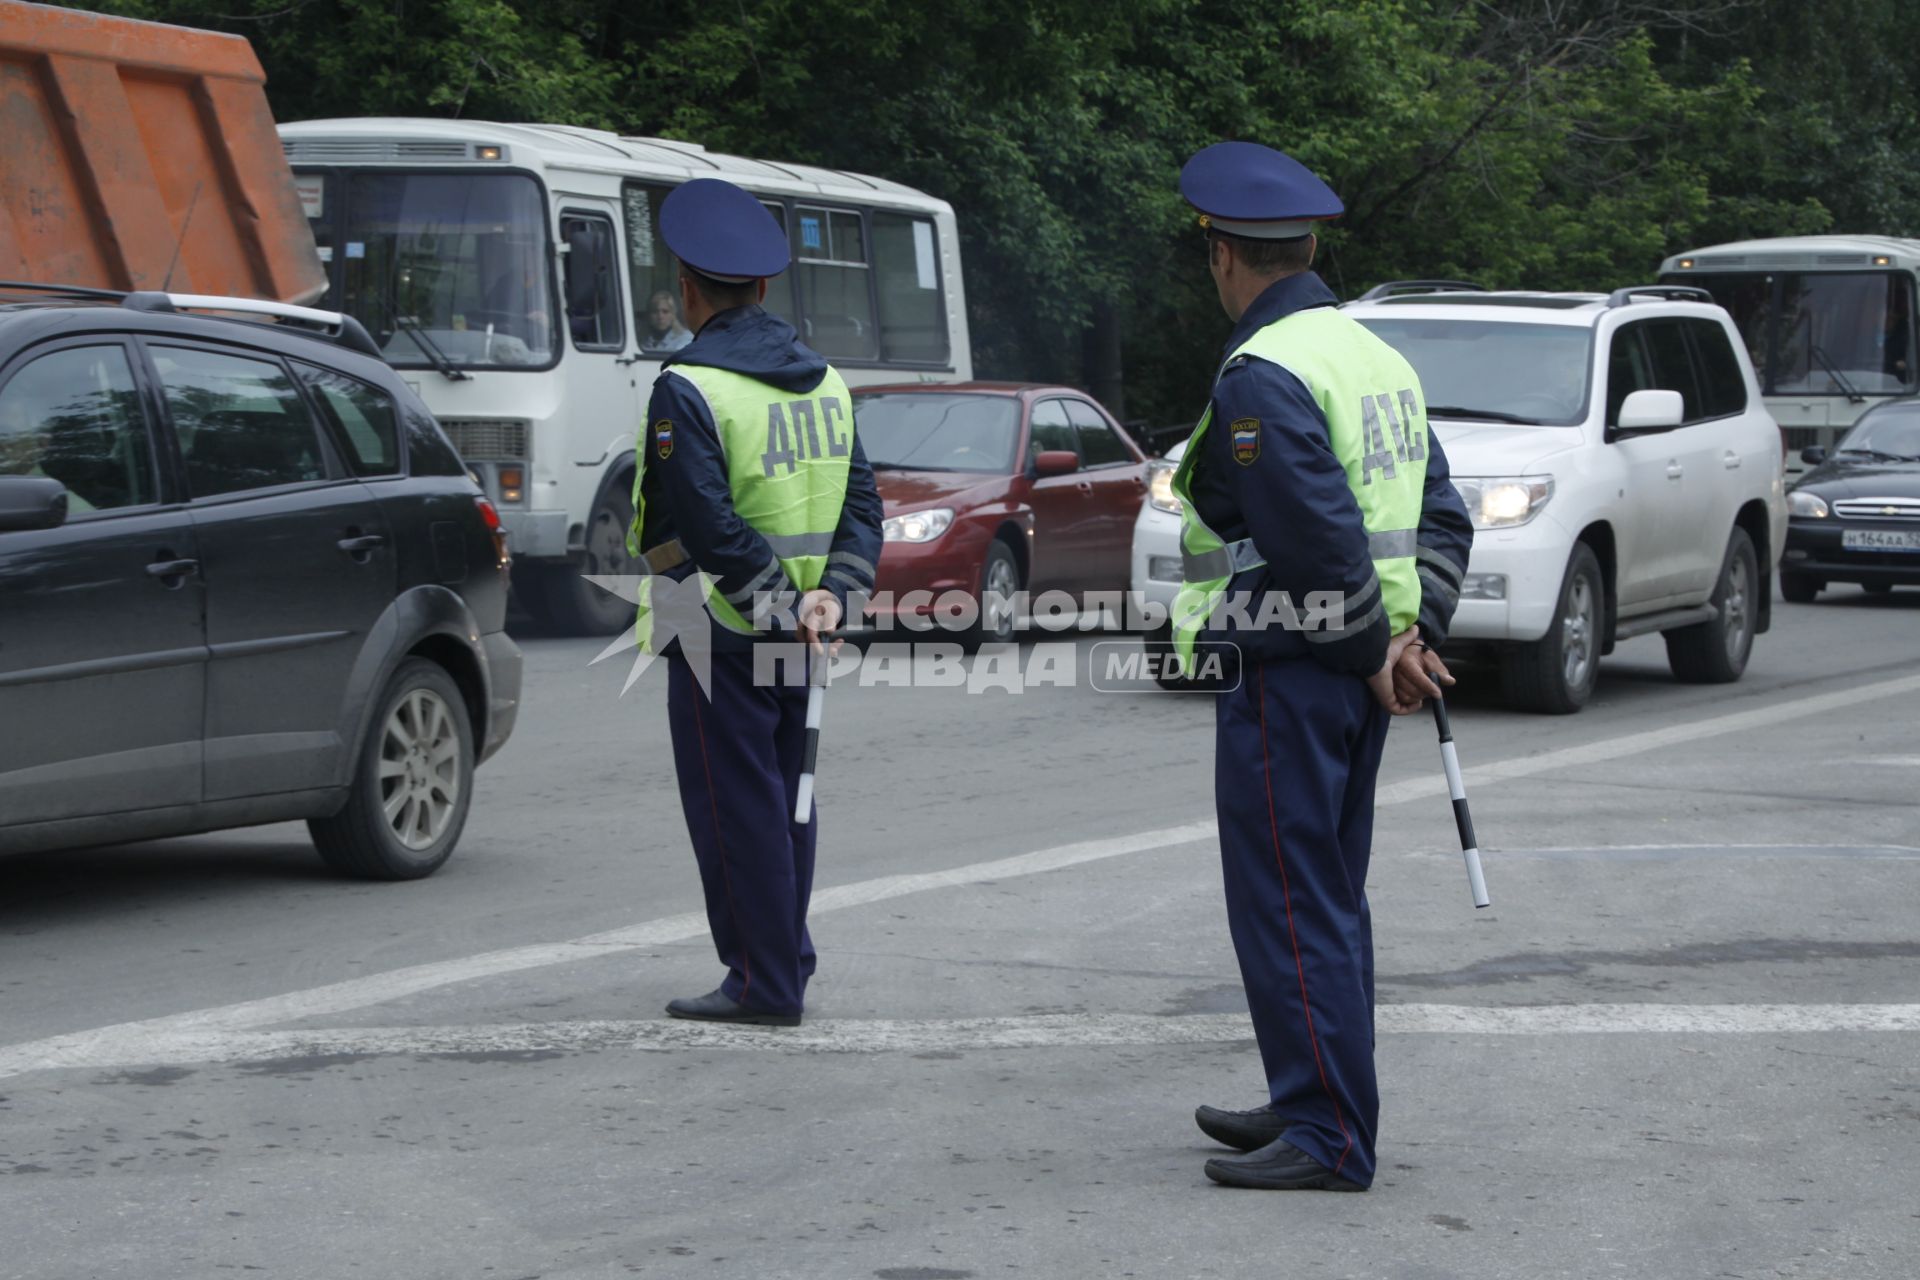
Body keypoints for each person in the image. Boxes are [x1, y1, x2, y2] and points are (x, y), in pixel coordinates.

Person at [1166, 142, 1474, 1191]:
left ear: (1223, 256)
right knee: (1326, 895)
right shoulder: (1372, 354)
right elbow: (1438, 517)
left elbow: (1314, 541)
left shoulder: (1267, 371)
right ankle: (1309, 1090)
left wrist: (1372, 647)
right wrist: (1409, 635)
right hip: (1349, 670)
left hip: (1294, 670)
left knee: (1293, 900)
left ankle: (1331, 1131)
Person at [630, 178, 883, 1028]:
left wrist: (779, 605)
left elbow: (706, 523)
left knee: (735, 807)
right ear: (766, 289)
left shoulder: (689, 387)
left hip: (713, 625)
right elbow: (862, 510)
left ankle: (761, 979)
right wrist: (831, 600)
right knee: (787, 798)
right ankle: (784, 960)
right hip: (800, 628)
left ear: (689, 290)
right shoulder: (829, 384)